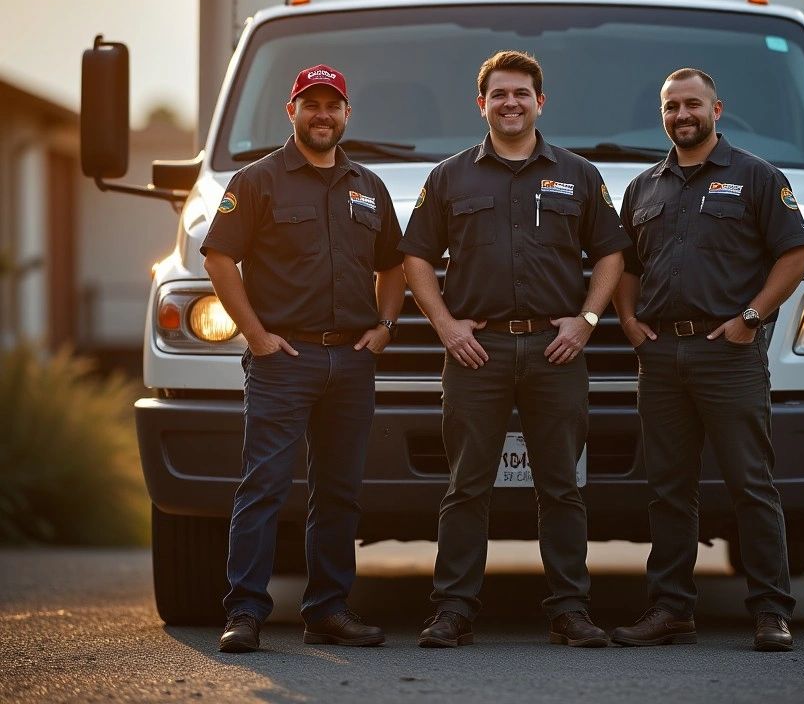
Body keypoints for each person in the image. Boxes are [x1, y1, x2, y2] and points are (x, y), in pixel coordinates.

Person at [401, 50, 630, 648]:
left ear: (539, 102)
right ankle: (453, 610)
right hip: (478, 354)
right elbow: (416, 258)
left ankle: (569, 611)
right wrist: (446, 327)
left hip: (556, 353)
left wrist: (585, 321)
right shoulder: (449, 177)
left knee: (561, 486)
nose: (510, 103)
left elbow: (611, 252)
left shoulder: (579, 174)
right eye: (499, 94)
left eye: (521, 93)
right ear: (482, 104)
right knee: (467, 486)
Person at [610, 67, 804, 653]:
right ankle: (671, 608)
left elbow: (796, 255)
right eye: (672, 107)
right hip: (662, 356)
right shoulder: (645, 187)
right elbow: (625, 265)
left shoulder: (756, 177)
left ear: (717, 110)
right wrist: (628, 323)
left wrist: (751, 319)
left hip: (728, 355)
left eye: (692, 105)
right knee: (669, 488)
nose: (682, 115)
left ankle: (771, 610)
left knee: (751, 484)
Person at [202, 64, 404, 653]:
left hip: (351, 362)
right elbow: (219, 257)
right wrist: (257, 336)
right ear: (291, 111)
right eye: (310, 104)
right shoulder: (257, 181)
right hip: (283, 361)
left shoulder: (368, 184)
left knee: (339, 491)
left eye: (332, 105)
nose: (322, 114)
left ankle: (328, 610)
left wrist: (386, 327)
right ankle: (244, 612)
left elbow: (393, 263)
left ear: (347, 115)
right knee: (264, 485)